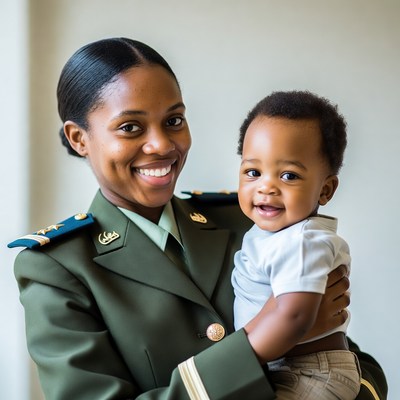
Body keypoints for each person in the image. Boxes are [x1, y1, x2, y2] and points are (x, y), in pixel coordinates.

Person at [7, 38, 386, 400]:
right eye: (130, 127)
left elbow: (353, 364)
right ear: (79, 138)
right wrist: (256, 344)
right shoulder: (56, 268)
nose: (161, 145)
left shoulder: (250, 221)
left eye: (173, 120)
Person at [231, 91, 360, 399]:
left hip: (310, 371)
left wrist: (236, 363)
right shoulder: (269, 234)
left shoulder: (302, 241)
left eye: (288, 175)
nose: (266, 186)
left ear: (325, 190)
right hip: (285, 367)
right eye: (253, 172)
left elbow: (295, 317)